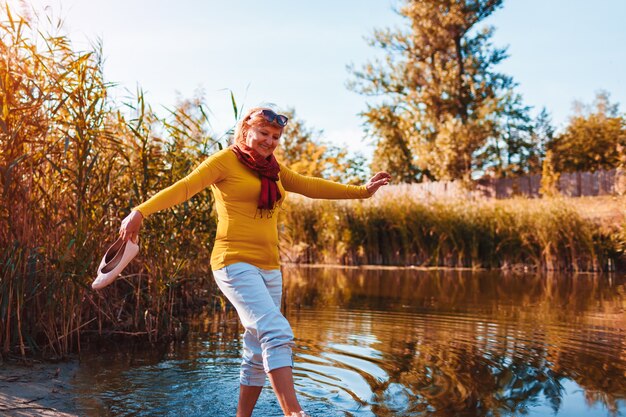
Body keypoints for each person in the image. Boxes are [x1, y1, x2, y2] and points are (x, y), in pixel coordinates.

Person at [118, 106, 391, 417]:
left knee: (255, 345)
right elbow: (184, 188)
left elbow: (311, 185)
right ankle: (294, 413)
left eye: (275, 136)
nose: (270, 141)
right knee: (277, 331)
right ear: (246, 130)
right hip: (232, 262)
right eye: (264, 133)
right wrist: (140, 211)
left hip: (270, 268)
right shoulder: (226, 161)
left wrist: (362, 192)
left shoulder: (273, 170)